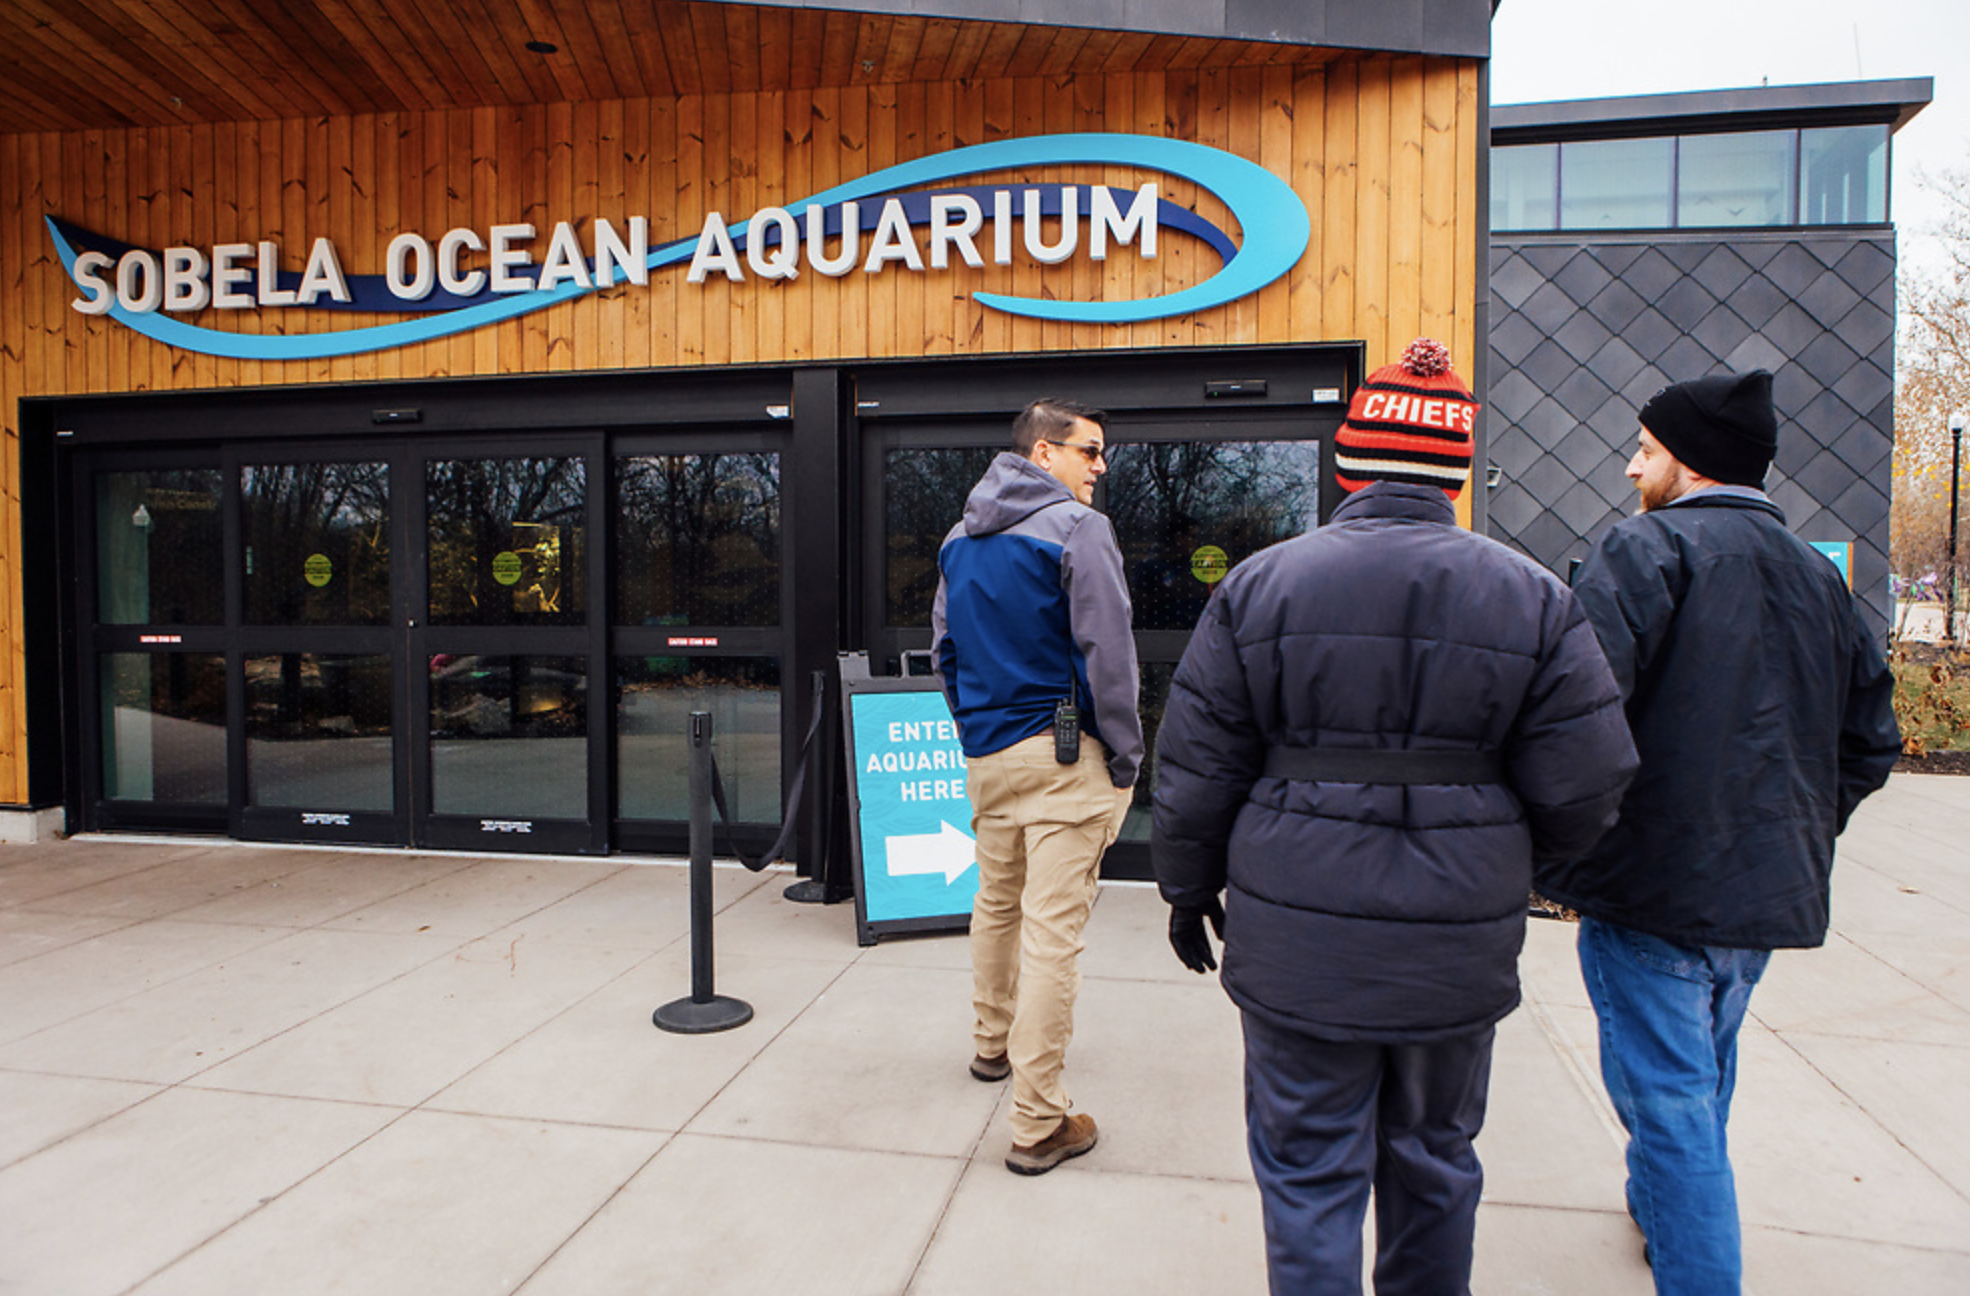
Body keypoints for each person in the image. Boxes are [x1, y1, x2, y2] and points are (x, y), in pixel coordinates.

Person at [1151, 338, 1638, 1294]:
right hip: (1454, 941)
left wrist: (1185, 887)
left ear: (1348, 468)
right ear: (1456, 475)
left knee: (1306, 1169)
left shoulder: (1260, 584)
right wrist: (1506, 863)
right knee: (1435, 1158)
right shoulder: (1536, 597)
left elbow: (1198, 767)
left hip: (1300, 937)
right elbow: (1589, 780)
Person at [1535, 370, 1902, 1295]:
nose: (1632, 468)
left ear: (1692, 462)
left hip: (1654, 891)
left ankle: (1696, 1262)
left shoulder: (1645, 549)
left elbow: (1579, 723)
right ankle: (1661, 1211)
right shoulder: (1819, 578)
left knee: (1669, 1101)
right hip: (1762, 895)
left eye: (1646, 451)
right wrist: (1796, 831)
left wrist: (1557, 846)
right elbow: (1870, 742)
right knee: (1700, 1079)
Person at [930, 397, 1143, 1176]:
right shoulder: (1078, 529)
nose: (1100, 467)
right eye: (1089, 450)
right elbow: (1108, 652)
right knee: (1052, 932)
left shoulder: (959, 538)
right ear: (1043, 452)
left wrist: (975, 729)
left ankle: (991, 1044)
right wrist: (1126, 755)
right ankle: (1038, 1122)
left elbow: (945, 651)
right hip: (1063, 756)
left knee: (996, 904)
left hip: (989, 753)